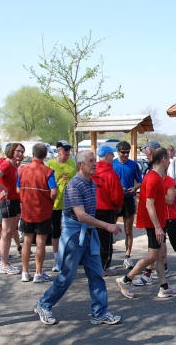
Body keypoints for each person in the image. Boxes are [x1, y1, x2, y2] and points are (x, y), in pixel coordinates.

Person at [34, 150, 122, 326]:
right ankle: (44, 304)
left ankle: (99, 312)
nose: (95, 164)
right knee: (67, 276)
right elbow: (81, 215)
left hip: (88, 235)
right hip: (75, 236)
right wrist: (106, 225)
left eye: (94, 161)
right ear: (80, 165)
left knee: (96, 275)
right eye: (91, 161)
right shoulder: (74, 185)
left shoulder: (90, 183)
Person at [115, 147, 176, 299]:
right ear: (164, 159)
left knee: (158, 256)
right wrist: (158, 226)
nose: (170, 162)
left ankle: (164, 287)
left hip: (158, 222)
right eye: (169, 159)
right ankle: (126, 280)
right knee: (152, 256)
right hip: (154, 224)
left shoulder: (157, 177)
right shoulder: (152, 178)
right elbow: (149, 204)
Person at [17, 143, 57, 283]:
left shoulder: (22, 169)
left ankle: (25, 272)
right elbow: (54, 191)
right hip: (43, 210)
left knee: (27, 241)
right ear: (45, 155)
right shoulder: (48, 171)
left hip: (27, 210)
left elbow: (18, 189)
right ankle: (38, 273)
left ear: (32, 153)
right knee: (40, 242)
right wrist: (50, 201)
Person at [92, 144, 124, 276]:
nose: (113, 157)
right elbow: (117, 195)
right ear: (107, 156)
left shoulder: (92, 171)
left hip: (91, 210)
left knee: (93, 238)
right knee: (105, 239)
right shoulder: (111, 174)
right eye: (111, 154)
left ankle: (93, 264)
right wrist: (119, 205)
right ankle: (104, 266)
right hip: (106, 209)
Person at [46, 140, 77, 272]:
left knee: (70, 231)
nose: (68, 152)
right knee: (56, 231)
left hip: (71, 203)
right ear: (58, 151)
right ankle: (57, 257)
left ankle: (71, 257)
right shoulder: (50, 164)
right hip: (55, 204)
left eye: (69, 150)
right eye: (65, 150)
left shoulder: (73, 164)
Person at [0, 143, 25, 275]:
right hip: (8, 201)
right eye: (18, 151)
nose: (20, 154)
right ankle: (3, 263)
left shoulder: (15, 165)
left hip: (15, 200)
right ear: (11, 151)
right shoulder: (6, 165)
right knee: (6, 234)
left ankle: (5, 262)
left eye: (22, 152)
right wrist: (2, 189)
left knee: (11, 231)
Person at [113, 140, 144, 269]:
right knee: (110, 228)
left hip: (129, 199)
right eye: (123, 152)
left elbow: (140, 182)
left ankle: (127, 256)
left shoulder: (134, 165)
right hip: (114, 199)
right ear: (118, 152)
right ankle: (108, 255)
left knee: (128, 230)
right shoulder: (112, 164)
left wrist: (134, 188)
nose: (125, 155)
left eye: (127, 152)